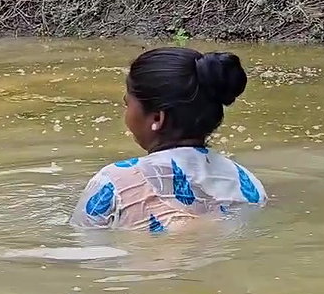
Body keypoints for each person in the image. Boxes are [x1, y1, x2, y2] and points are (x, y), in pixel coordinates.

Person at [70, 47, 266, 232]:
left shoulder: (113, 182)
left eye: (127, 103)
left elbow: (84, 246)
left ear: (157, 118)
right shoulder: (249, 184)